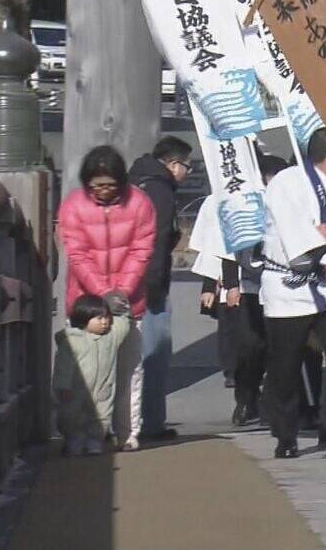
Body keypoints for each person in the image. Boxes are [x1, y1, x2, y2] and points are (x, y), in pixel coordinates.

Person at [255, 129, 326, 458]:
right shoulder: (287, 182)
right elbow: (294, 227)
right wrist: (325, 251)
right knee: (286, 364)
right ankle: (286, 434)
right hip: (288, 287)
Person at [57, 145, 157, 451]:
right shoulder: (73, 206)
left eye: (110, 185)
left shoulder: (140, 204)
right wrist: (103, 294)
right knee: (85, 375)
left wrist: (121, 292)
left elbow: (142, 250)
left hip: (129, 303)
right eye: (96, 185)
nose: (102, 191)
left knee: (129, 371)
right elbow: (77, 254)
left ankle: (127, 433)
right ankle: (81, 433)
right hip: (86, 305)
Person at [192, 154, 291, 427]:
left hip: (281, 284)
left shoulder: (285, 200)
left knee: (277, 347)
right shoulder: (240, 201)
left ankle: (271, 403)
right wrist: (231, 284)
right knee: (251, 346)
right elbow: (227, 246)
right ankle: (245, 400)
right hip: (248, 286)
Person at [128, 135, 194, 442]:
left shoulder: (136, 182)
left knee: (131, 356)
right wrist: (154, 285)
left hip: (126, 279)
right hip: (149, 284)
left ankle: (130, 420)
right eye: (186, 166)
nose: (187, 174)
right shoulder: (159, 190)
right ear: (171, 163)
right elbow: (154, 244)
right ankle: (150, 422)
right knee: (154, 354)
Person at [53, 295, 134, 456]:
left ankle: (94, 440)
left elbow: (123, 325)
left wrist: (122, 309)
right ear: (84, 319)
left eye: (106, 318)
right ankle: (74, 439)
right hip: (75, 390)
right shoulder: (72, 340)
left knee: (101, 416)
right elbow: (63, 366)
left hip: (102, 388)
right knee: (71, 416)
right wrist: (62, 385)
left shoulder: (110, 337)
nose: (104, 322)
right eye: (99, 318)